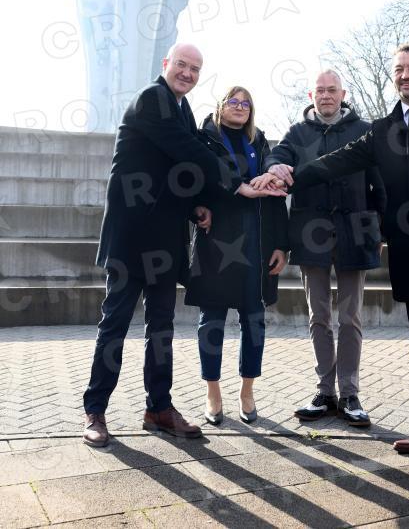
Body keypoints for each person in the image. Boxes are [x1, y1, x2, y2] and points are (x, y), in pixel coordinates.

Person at [256, 45, 409, 480]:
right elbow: (334, 163)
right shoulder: (383, 129)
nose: (406, 75)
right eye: (399, 69)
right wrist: (286, 177)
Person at [83, 45, 283, 447]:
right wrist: (237, 184)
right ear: (166, 65)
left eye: (195, 68)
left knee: (161, 329)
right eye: (181, 65)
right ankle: (95, 411)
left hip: (165, 240)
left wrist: (195, 207)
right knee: (115, 325)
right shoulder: (152, 99)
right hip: (131, 238)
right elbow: (189, 151)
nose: (187, 73)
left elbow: (180, 170)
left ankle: (159, 408)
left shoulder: (183, 109)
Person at [259, 70, 385, 426]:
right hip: (310, 235)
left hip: (355, 233)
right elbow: (274, 157)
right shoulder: (297, 133)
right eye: (320, 91)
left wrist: (379, 230)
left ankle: (350, 394)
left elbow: (381, 186)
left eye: (332, 90)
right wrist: (275, 166)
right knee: (319, 316)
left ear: (343, 94)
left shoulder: (365, 130)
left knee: (350, 317)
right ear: (311, 95)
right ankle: (325, 392)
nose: (326, 95)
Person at [185, 86, 288, 425]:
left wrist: (280, 244)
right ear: (220, 106)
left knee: (254, 320)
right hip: (216, 242)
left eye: (246, 103)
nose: (240, 107)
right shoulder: (203, 139)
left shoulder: (259, 141)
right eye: (233, 101)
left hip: (257, 243)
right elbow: (194, 182)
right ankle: (212, 392)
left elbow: (274, 198)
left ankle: (247, 391)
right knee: (211, 320)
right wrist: (197, 208)